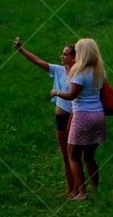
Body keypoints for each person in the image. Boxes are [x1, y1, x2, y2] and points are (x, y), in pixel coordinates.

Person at [14, 36, 78, 197]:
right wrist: (21, 50)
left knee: (74, 155)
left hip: (73, 118)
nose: (62, 56)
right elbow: (38, 61)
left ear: (74, 57)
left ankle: (79, 188)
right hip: (60, 119)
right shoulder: (58, 70)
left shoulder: (78, 74)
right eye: (62, 54)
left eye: (65, 54)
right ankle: (71, 188)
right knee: (65, 155)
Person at [52, 37, 105, 201]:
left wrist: (57, 92)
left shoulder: (80, 73)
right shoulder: (99, 72)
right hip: (98, 116)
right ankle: (96, 189)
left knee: (73, 156)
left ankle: (81, 193)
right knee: (89, 156)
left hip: (82, 116)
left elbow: (72, 95)